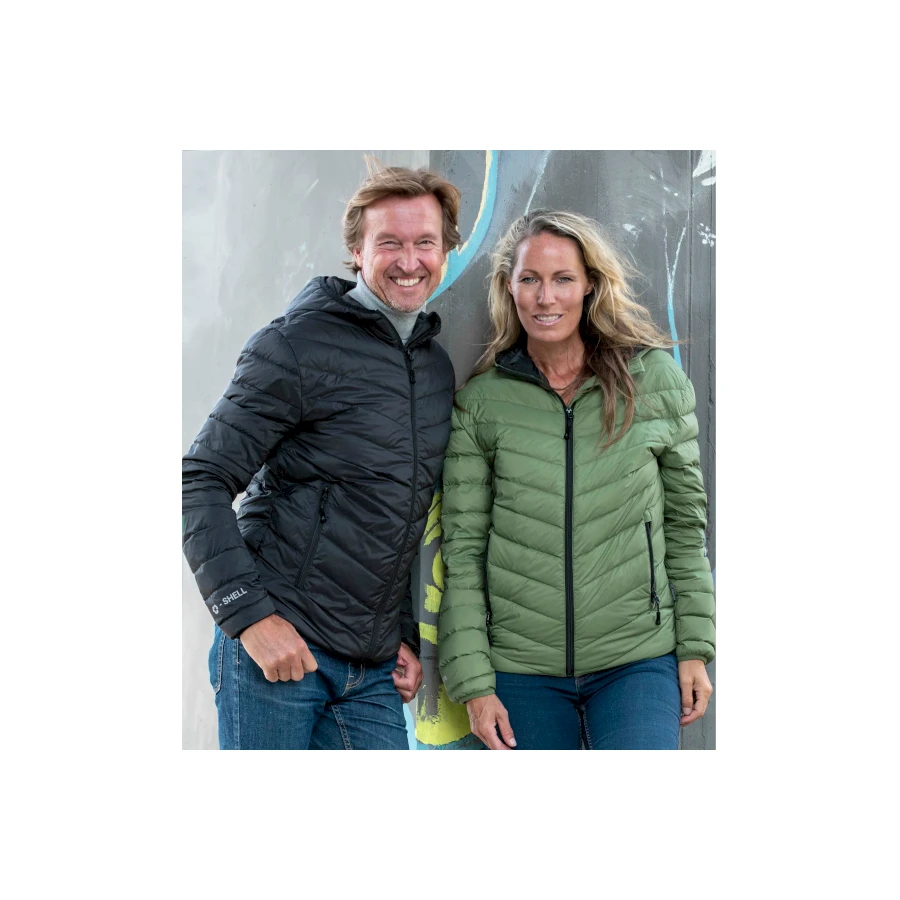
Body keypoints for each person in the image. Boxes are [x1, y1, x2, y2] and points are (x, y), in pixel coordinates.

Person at [183, 162, 461, 749]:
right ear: (357, 252)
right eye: (389, 243)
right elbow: (200, 478)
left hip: (371, 669)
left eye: (425, 243)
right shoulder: (297, 344)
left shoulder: (435, 369)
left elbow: (397, 512)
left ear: (445, 251)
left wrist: (400, 633)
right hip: (281, 648)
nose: (409, 261)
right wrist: (248, 617)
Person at [437, 209, 715, 750]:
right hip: (520, 668)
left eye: (563, 278)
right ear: (509, 286)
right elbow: (464, 552)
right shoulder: (481, 403)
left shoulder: (653, 382)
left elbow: (686, 526)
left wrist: (694, 649)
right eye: (530, 279)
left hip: (636, 660)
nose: (546, 298)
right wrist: (473, 683)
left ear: (590, 284)